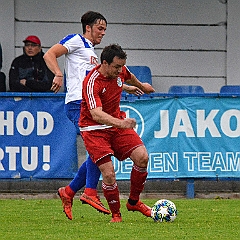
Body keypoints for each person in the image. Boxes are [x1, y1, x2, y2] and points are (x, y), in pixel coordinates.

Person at [44, 11, 144, 220]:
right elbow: (49, 54)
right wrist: (58, 73)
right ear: (87, 27)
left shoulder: (91, 51)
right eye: (100, 28)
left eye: (105, 29)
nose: (103, 32)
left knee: (96, 150)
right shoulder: (76, 40)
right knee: (97, 148)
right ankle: (89, 192)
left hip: (90, 103)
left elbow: (101, 80)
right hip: (78, 104)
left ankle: (70, 192)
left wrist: (125, 87)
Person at [79, 43, 155, 222]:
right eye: (116, 67)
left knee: (142, 157)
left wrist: (142, 86)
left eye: (121, 66)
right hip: (94, 129)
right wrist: (121, 123)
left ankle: (134, 202)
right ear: (104, 63)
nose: (120, 70)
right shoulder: (92, 82)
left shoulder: (120, 70)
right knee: (109, 173)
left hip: (115, 125)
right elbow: (96, 114)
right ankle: (116, 215)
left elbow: (129, 77)